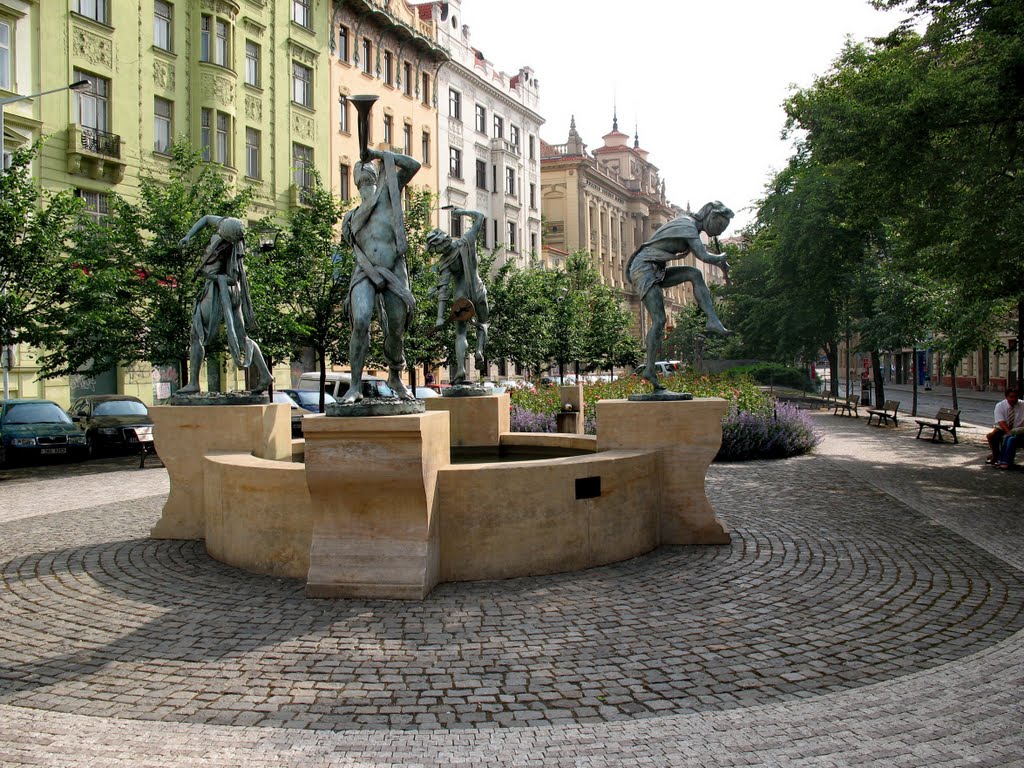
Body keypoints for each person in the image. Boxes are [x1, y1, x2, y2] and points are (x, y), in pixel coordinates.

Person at [341, 146, 421, 403]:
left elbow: (413, 166)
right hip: (364, 271)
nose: (365, 178)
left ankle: (395, 376)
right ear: (356, 183)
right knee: (361, 320)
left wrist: (377, 153)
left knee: (396, 327)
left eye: (369, 173)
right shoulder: (351, 218)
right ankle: (355, 386)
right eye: (360, 176)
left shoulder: (389, 195)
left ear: (376, 175)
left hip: (394, 271)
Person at [625, 201, 733, 389]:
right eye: (721, 226)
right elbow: (704, 255)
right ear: (712, 217)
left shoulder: (691, 226)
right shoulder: (687, 225)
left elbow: (704, 257)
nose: (721, 232)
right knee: (659, 320)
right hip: (644, 267)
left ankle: (712, 320)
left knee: (695, 274)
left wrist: (718, 261)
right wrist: (721, 258)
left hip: (656, 267)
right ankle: (649, 368)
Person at [176, 215, 272, 395]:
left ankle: (194, 383)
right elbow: (205, 219)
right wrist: (189, 235)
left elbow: (231, 279)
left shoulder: (233, 249)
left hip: (218, 291)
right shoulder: (227, 225)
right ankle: (265, 375)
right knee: (243, 337)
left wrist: (208, 276)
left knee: (196, 333)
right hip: (232, 292)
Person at [424, 209, 489, 384]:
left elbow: (443, 292)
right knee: (483, 323)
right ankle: (479, 349)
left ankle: (460, 369)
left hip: (461, 297)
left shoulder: (445, 262)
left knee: (460, 334)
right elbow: (480, 217)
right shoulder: (467, 240)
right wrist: (461, 212)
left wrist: (439, 317)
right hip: (478, 289)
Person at [986, 388, 1023, 469]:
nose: (1014, 399)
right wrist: (1008, 432)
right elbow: (1001, 421)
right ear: (1006, 397)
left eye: (1016, 397)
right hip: (1003, 428)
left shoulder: (1022, 405)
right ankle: (996, 456)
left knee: (1011, 438)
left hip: (1018, 429)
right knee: (992, 436)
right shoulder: (1000, 406)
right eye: (1011, 397)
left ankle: (1004, 459)